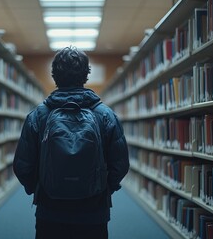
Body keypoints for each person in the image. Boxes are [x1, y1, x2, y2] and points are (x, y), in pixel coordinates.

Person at [13, 46, 129, 239]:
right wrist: (103, 188)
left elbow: (22, 166)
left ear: (54, 76)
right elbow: (120, 164)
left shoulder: (38, 116)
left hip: (49, 210)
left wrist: (41, 187)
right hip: (93, 211)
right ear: (86, 75)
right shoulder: (105, 115)